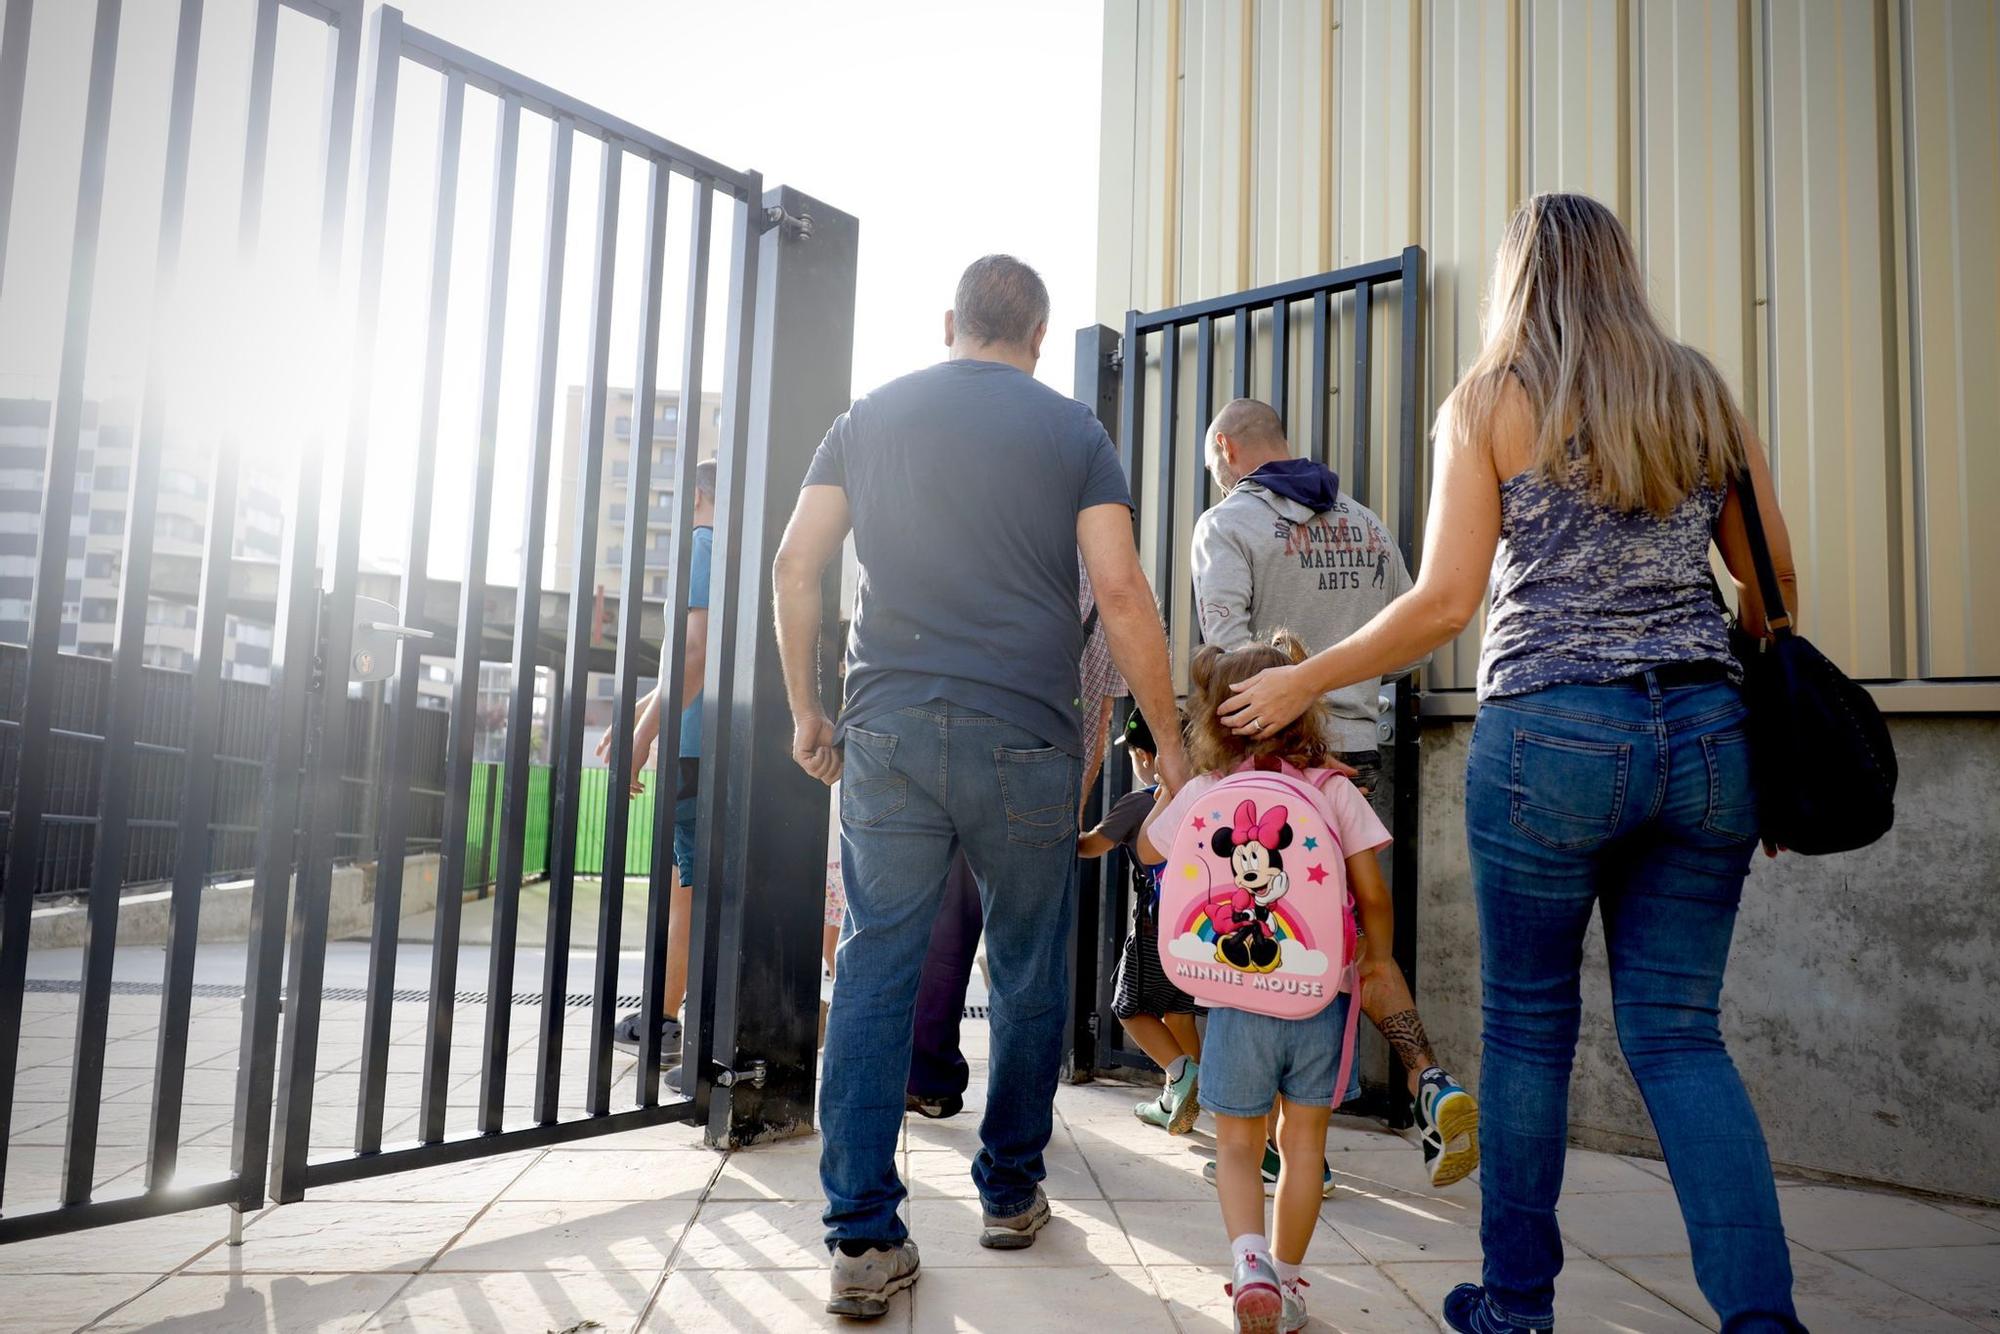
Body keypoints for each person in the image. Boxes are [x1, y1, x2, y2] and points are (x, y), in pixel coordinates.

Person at [1219, 192, 1804, 1334]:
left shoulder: (1489, 398)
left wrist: (1299, 679)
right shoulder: (1697, 389)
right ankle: (1761, 1318)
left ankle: (1515, 1303)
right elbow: (1771, 585)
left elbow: (1443, 602)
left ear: (1514, 281)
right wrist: (1754, 753)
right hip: (1703, 738)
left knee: (1530, 1027)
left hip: (1549, 737)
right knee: (1680, 1033)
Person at [771, 254, 1190, 1320]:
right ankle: (1009, 1190)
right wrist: (1169, 739)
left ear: (949, 319)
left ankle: (861, 1238)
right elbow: (1122, 588)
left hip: (888, 728)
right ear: (1038, 338)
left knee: (872, 965)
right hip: (1025, 736)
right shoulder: (1072, 434)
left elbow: (795, 565)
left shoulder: (868, 417)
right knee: (1026, 966)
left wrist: (806, 709)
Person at [1193, 395, 1478, 1190]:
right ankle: (1429, 1077)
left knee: (1262, 944)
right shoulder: (1362, 521)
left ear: (1226, 448)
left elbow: (1222, 656)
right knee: (1359, 942)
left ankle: (1271, 1143)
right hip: (1354, 761)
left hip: (1268, 772)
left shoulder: (1228, 525)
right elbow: (1407, 628)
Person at [1134, 632, 1393, 1334]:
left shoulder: (1210, 791)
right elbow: (1371, 891)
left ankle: (1249, 1265)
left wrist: (1176, 785)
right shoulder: (1335, 788)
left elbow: (1148, 847)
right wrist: (1378, 958)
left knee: (1239, 1147)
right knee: (1305, 1145)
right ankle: (1286, 1278)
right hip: (1319, 998)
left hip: (1236, 1006)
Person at [902, 562, 1131, 1122]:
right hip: (1044, 774)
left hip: (959, 758)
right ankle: (1017, 1127)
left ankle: (927, 1080)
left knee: (946, 935)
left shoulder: (1001, 547)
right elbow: (1100, 714)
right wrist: (1073, 802)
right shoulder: (1112, 578)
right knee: (1029, 957)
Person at [600, 458, 717, 1062]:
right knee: (690, 883)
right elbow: (690, 662)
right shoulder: (743, 557)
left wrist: (644, 738)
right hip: (720, 743)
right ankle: (670, 1012)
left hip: (693, 747)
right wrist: (641, 714)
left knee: (689, 889)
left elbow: (692, 658)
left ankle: (670, 1020)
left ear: (698, 496)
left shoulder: (703, 544)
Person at [1077, 708, 1202, 1133]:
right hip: (1199, 931)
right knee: (1178, 1013)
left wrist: (1063, 830)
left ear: (1147, 757)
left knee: (1127, 1007)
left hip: (1154, 931)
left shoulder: (1139, 803)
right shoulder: (1206, 799)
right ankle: (1183, 1096)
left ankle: (1184, 1077)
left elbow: (1091, 847)